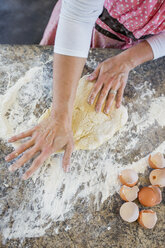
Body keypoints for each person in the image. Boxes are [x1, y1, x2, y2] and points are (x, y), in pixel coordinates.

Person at [5, 0, 165, 180]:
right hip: (85, 29)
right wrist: (59, 116)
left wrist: (131, 59)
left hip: (140, 43)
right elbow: (77, 18)